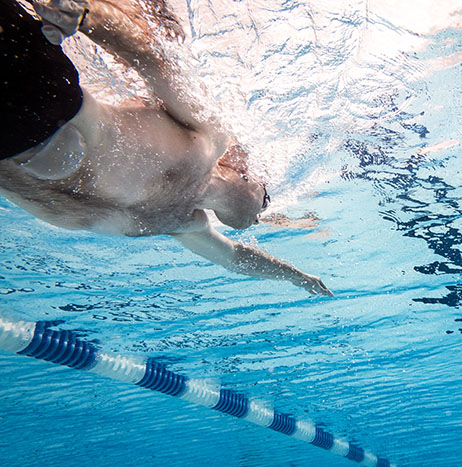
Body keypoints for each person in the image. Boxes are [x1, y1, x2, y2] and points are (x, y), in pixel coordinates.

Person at [0, 0, 333, 296]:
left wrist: (296, 277)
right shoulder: (208, 137)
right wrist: (87, 17)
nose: (260, 215)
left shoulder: (183, 222)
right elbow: (149, 57)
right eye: (266, 199)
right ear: (246, 175)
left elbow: (236, 259)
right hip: (39, 95)